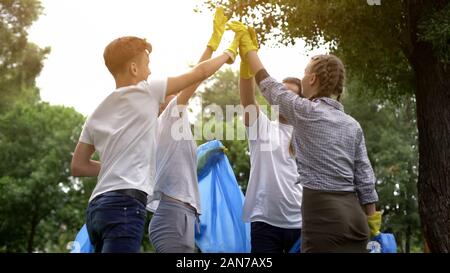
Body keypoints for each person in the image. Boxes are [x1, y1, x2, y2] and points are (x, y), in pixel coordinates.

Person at [70, 20, 239, 252]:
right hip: (125, 206)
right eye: (147, 65)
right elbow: (198, 73)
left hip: (96, 208)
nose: (150, 71)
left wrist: (113, 165)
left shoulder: (96, 113)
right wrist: (229, 52)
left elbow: (78, 166)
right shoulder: (147, 91)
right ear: (134, 68)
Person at [229, 21, 382, 253]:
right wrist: (373, 223)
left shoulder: (306, 113)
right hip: (355, 218)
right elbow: (364, 176)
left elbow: (269, 86)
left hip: (322, 217)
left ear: (311, 80)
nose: (302, 77)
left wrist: (250, 51)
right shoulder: (352, 124)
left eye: (305, 73)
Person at [147, 7, 237, 253]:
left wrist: (206, 155)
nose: (177, 91)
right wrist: (218, 46)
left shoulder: (172, 126)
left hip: (183, 214)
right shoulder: (167, 118)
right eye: (171, 92)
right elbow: (196, 76)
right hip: (172, 216)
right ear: (161, 102)